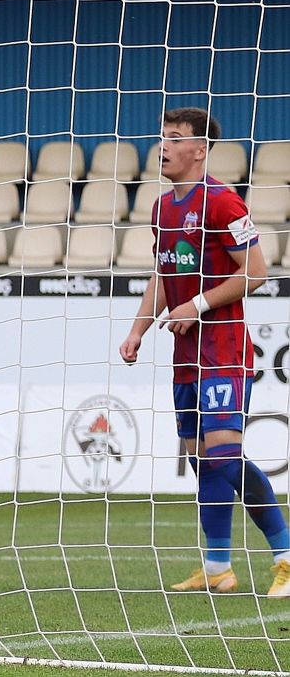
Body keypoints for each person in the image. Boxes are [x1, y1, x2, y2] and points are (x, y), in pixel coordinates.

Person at [119, 107, 290, 598]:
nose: (164, 146)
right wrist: (138, 329)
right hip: (186, 357)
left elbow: (255, 272)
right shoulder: (161, 208)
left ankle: (283, 555)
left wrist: (195, 304)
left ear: (200, 150)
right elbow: (163, 274)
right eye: (162, 137)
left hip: (224, 352)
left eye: (175, 139)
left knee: (224, 458)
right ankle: (217, 569)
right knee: (202, 460)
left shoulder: (223, 203)